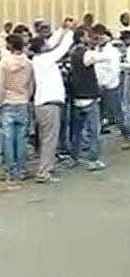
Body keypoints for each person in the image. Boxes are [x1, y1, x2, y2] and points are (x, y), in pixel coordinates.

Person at [30, 26, 74, 183]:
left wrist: (62, 29)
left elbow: (53, 43)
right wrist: (69, 32)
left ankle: (46, 166)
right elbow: (62, 48)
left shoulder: (38, 60)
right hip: (49, 104)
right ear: (42, 47)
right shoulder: (45, 60)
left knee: (46, 138)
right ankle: (44, 172)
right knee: (50, 139)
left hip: (43, 104)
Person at [68, 26, 110, 171]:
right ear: (81, 37)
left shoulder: (72, 53)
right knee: (94, 131)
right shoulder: (86, 54)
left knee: (77, 131)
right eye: (87, 35)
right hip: (90, 97)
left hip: (77, 96)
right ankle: (93, 159)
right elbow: (104, 57)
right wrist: (101, 46)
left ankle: (74, 156)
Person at [0, 33, 34, 187]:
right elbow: (31, 84)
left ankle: (9, 170)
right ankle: (21, 169)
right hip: (22, 100)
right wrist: (27, 97)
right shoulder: (28, 63)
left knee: (8, 138)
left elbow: (1, 85)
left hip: (8, 101)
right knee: (21, 137)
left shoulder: (4, 63)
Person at [94, 26, 130, 147]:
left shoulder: (112, 52)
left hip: (110, 87)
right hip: (98, 87)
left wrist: (105, 84)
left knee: (117, 114)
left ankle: (128, 137)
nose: (98, 38)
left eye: (100, 36)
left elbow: (115, 70)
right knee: (98, 115)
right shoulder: (96, 50)